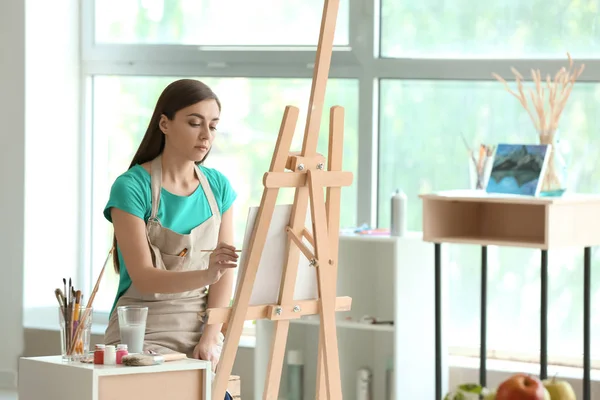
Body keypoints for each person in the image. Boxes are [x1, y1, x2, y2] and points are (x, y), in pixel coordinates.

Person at [103, 79, 239, 385]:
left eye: (213, 126)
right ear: (164, 123)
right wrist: (208, 274)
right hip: (140, 330)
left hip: (200, 327)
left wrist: (210, 336)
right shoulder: (132, 187)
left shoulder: (218, 187)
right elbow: (144, 276)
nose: (206, 135)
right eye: (194, 123)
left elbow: (225, 272)